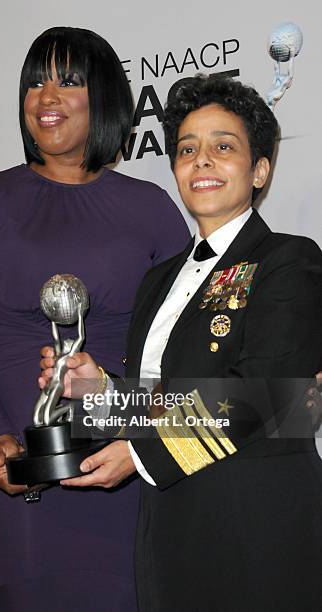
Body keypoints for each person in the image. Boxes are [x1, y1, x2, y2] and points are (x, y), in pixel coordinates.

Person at [40, 75, 322, 611]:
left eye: (223, 146)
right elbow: (161, 401)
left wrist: (140, 454)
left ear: (260, 170)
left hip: (258, 526)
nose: (202, 161)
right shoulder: (158, 280)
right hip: (169, 525)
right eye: (187, 149)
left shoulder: (289, 259)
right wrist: (98, 391)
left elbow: (266, 395)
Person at [0, 27, 190, 611]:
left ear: (105, 99)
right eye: (35, 82)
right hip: (16, 469)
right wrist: (0, 437)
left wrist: (138, 428)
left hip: (126, 457)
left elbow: (179, 350)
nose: (46, 96)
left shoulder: (150, 207)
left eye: (68, 81)